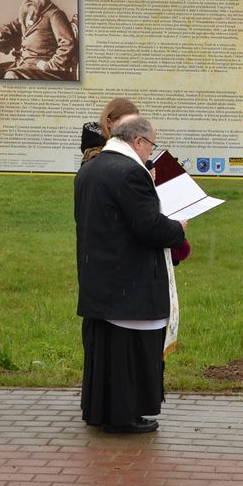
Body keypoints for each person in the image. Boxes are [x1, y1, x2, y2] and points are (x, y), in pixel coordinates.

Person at [74, 115, 188, 433]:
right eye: (151, 144)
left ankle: (102, 412)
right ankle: (125, 416)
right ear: (137, 141)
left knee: (106, 355)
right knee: (130, 353)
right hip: (129, 284)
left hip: (100, 276)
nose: (150, 152)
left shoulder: (91, 168)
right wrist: (177, 228)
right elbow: (148, 227)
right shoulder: (129, 173)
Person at [0, 0, 77, 80]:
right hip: (24, 65)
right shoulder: (31, 12)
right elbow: (15, 25)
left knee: (11, 75)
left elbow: (67, 45)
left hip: (45, 70)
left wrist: (50, 65)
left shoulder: (55, 14)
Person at [80, 98, 140, 165]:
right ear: (109, 122)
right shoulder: (95, 155)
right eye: (125, 124)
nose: (131, 129)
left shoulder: (125, 146)